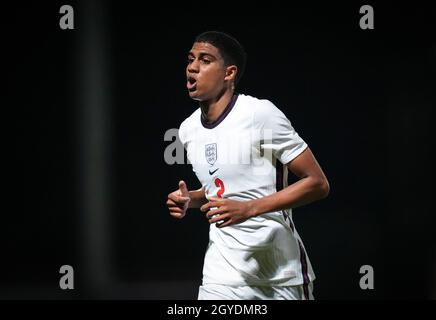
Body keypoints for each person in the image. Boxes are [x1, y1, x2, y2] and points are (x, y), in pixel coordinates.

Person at [166, 31, 330, 300]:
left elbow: (317, 183)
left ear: (229, 73)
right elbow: (220, 191)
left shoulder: (259, 114)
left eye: (205, 60)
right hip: (222, 276)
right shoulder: (188, 129)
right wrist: (190, 199)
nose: (192, 67)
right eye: (190, 59)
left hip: (279, 273)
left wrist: (250, 208)